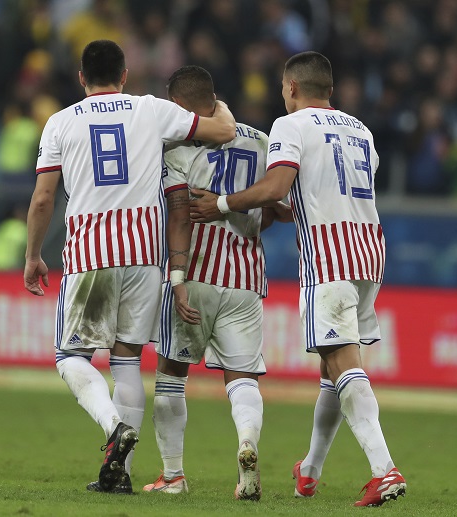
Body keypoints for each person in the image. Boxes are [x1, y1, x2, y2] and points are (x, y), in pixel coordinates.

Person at [190, 51, 407, 507]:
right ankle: (308, 470)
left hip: (329, 257)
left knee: (345, 364)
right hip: (370, 252)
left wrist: (223, 204)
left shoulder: (291, 126)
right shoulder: (361, 131)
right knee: (331, 367)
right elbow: (322, 192)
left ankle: (384, 470)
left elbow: (276, 187)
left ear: (291, 87)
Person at [24, 40, 236, 494]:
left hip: (89, 253)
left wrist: (32, 255)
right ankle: (119, 473)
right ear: (124, 74)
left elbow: (44, 197)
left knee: (71, 357)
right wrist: (221, 106)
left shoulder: (60, 122)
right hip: (144, 256)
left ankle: (113, 428)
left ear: (82, 78)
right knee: (126, 361)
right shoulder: (150, 109)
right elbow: (221, 131)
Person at [142, 65, 289, 500]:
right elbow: (282, 208)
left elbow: (178, 215)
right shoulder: (260, 141)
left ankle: (172, 476)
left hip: (198, 273)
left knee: (171, 372)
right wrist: (246, 219)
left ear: (183, 105)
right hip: (245, 277)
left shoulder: (180, 149)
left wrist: (178, 277)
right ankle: (247, 443)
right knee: (241, 378)